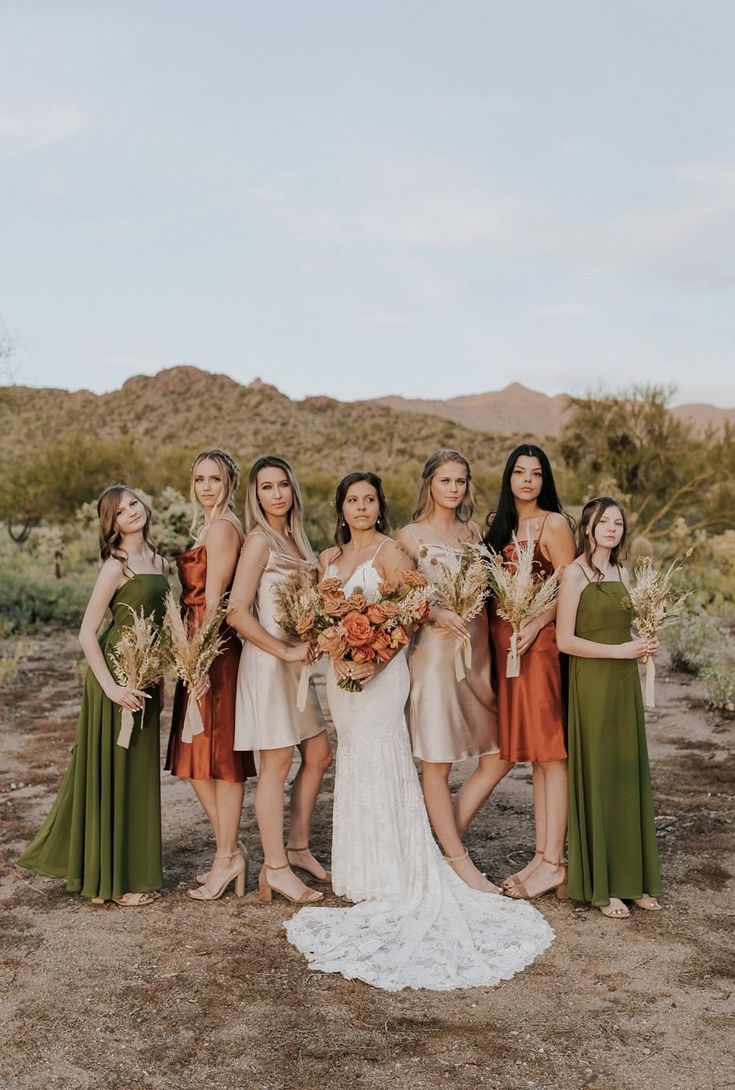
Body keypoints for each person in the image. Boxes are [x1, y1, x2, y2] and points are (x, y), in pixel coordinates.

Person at [284, 472, 554, 991]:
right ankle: (362, 871)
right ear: (341, 509)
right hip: (342, 679)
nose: (361, 507)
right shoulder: (327, 560)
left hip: (382, 677)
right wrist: (333, 648)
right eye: (352, 500)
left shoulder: (392, 551)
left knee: (386, 758)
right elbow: (321, 617)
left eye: (369, 499)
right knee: (356, 762)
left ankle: (401, 865)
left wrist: (374, 660)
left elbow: (410, 615)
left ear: (379, 507)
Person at [19, 485, 168, 906]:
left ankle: (123, 871)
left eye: (134, 503)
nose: (132, 512)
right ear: (113, 524)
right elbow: (87, 632)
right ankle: (112, 882)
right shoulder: (115, 566)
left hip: (147, 676)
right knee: (113, 772)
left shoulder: (158, 561)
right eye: (121, 511)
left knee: (137, 777)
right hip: (114, 679)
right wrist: (112, 687)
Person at [397, 450, 503, 893]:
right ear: (430, 484)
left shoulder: (474, 531)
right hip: (437, 658)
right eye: (445, 481)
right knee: (436, 762)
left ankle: (437, 842)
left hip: (478, 655)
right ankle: (460, 863)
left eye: (460, 481)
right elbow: (402, 601)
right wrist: (436, 612)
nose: (454, 489)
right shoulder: (410, 536)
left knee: (500, 755)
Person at [228, 456, 331, 906]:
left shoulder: (298, 539)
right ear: (256, 494)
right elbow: (236, 613)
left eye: (282, 485)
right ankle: (276, 870)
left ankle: (298, 846)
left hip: (297, 663)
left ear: (293, 490)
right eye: (266, 487)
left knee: (320, 754)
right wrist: (285, 648)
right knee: (276, 767)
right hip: (271, 663)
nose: (276, 494)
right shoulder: (259, 541)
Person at [556, 496, 662, 919]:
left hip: (623, 684)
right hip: (593, 683)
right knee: (601, 775)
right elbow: (565, 640)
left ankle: (634, 881)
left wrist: (644, 640)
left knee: (627, 773)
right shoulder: (574, 573)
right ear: (588, 527)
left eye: (618, 523)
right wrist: (620, 652)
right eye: (605, 522)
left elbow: (625, 628)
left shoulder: (622, 571)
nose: (612, 528)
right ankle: (604, 887)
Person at [484, 445, 575, 902]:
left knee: (551, 755)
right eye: (519, 472)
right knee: (537, 759)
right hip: (509, 656)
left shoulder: (553, 524)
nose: (527, 480)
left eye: (536, 473)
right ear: (509, 477)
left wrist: (539, 622)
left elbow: (574, 587)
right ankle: (542, 857)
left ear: (545, 480)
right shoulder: (500, 527)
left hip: (540, 652)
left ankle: (554, 864)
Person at [165, 449, 255, 901]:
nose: (205, 486)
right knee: (196, 759)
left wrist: (198, 660)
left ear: (230, 483)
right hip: (196, 647)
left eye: (214, 479)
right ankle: (230, 851)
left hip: (212, 651)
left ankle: (226, 857)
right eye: (199, 478)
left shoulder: (222, 528)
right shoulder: (209, 525)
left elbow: (216, 600)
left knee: (216, 760)